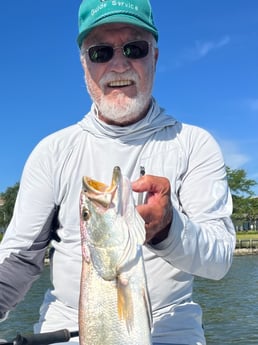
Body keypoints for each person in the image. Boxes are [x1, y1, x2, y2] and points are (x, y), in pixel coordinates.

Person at [0, 1, 236, 344]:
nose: (119, 63)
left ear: (154, 57)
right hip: (66, 331)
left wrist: (168, 228)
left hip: (173, 331)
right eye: (100, 53)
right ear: (84, 65)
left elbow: (220, 260)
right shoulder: (52, 152)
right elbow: (19, 259)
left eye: (134, 48)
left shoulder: (194, 145)